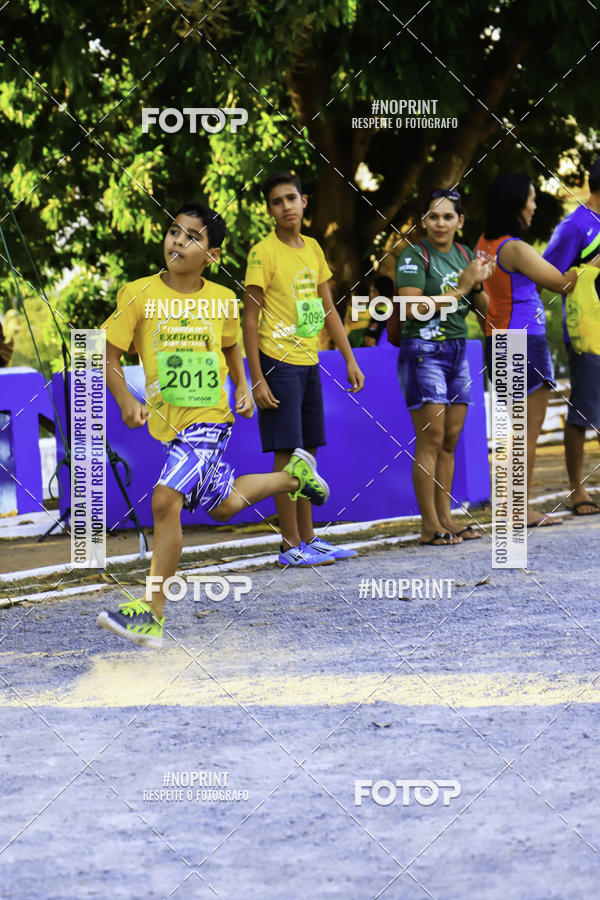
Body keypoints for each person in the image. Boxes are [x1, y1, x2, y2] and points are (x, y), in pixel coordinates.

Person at [97, 202, 330, 648]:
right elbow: (108, 353)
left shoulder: (223, 298)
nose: (179, 241)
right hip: (171, 426)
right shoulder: (137, 293)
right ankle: (293, 477)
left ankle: (151, 612)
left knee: (165, 500)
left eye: (192, 236)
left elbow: (230, 347)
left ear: (212, 254)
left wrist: (243, 385)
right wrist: (125, 398)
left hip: (209, 421)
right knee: (222, 506)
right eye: (174, 231)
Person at [243, 172, 365, 565]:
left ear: (304, 201)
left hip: (309, 361)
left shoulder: (313, 248)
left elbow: (328, 308)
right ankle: (289, 544)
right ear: (269, 210)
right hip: (276, 363)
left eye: (291, 198)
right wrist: (256, 378)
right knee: (286, 456)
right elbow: (249, 318)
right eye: (277, 201)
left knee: (306, 457)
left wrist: (349, 358)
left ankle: (309, 538)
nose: (286, 206)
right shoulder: (262, 253)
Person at [475, 173, 579, 528]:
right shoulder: (514, 248)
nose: (534, 206)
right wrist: (587, 266)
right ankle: (517, 509)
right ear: (515, 205)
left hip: (499, 339)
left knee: (515, 431)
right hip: (523, 342)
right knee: (526, 432)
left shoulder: (484, 243)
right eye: (531, 199)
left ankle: (510, 506)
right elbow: (562, 283)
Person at [395, 188, 493, 546]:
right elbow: (411, 308)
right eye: (433, 216)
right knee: (431, 438)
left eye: (448, 216)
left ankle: (446, 519)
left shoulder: (465, 255)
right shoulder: (413, 255)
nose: (440, 223)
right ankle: (429, 525)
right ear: (423, 221)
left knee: (450, 440)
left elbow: (484, 307)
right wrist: (462, 287)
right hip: (423, 352)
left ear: (460, 221)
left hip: (457, 351)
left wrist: (479, 284)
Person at [543, 157, 600, 516]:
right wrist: (591, 267)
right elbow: (548, 276)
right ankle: (577, 491)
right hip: (585, 330)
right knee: (583, 410)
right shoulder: (575, 225)